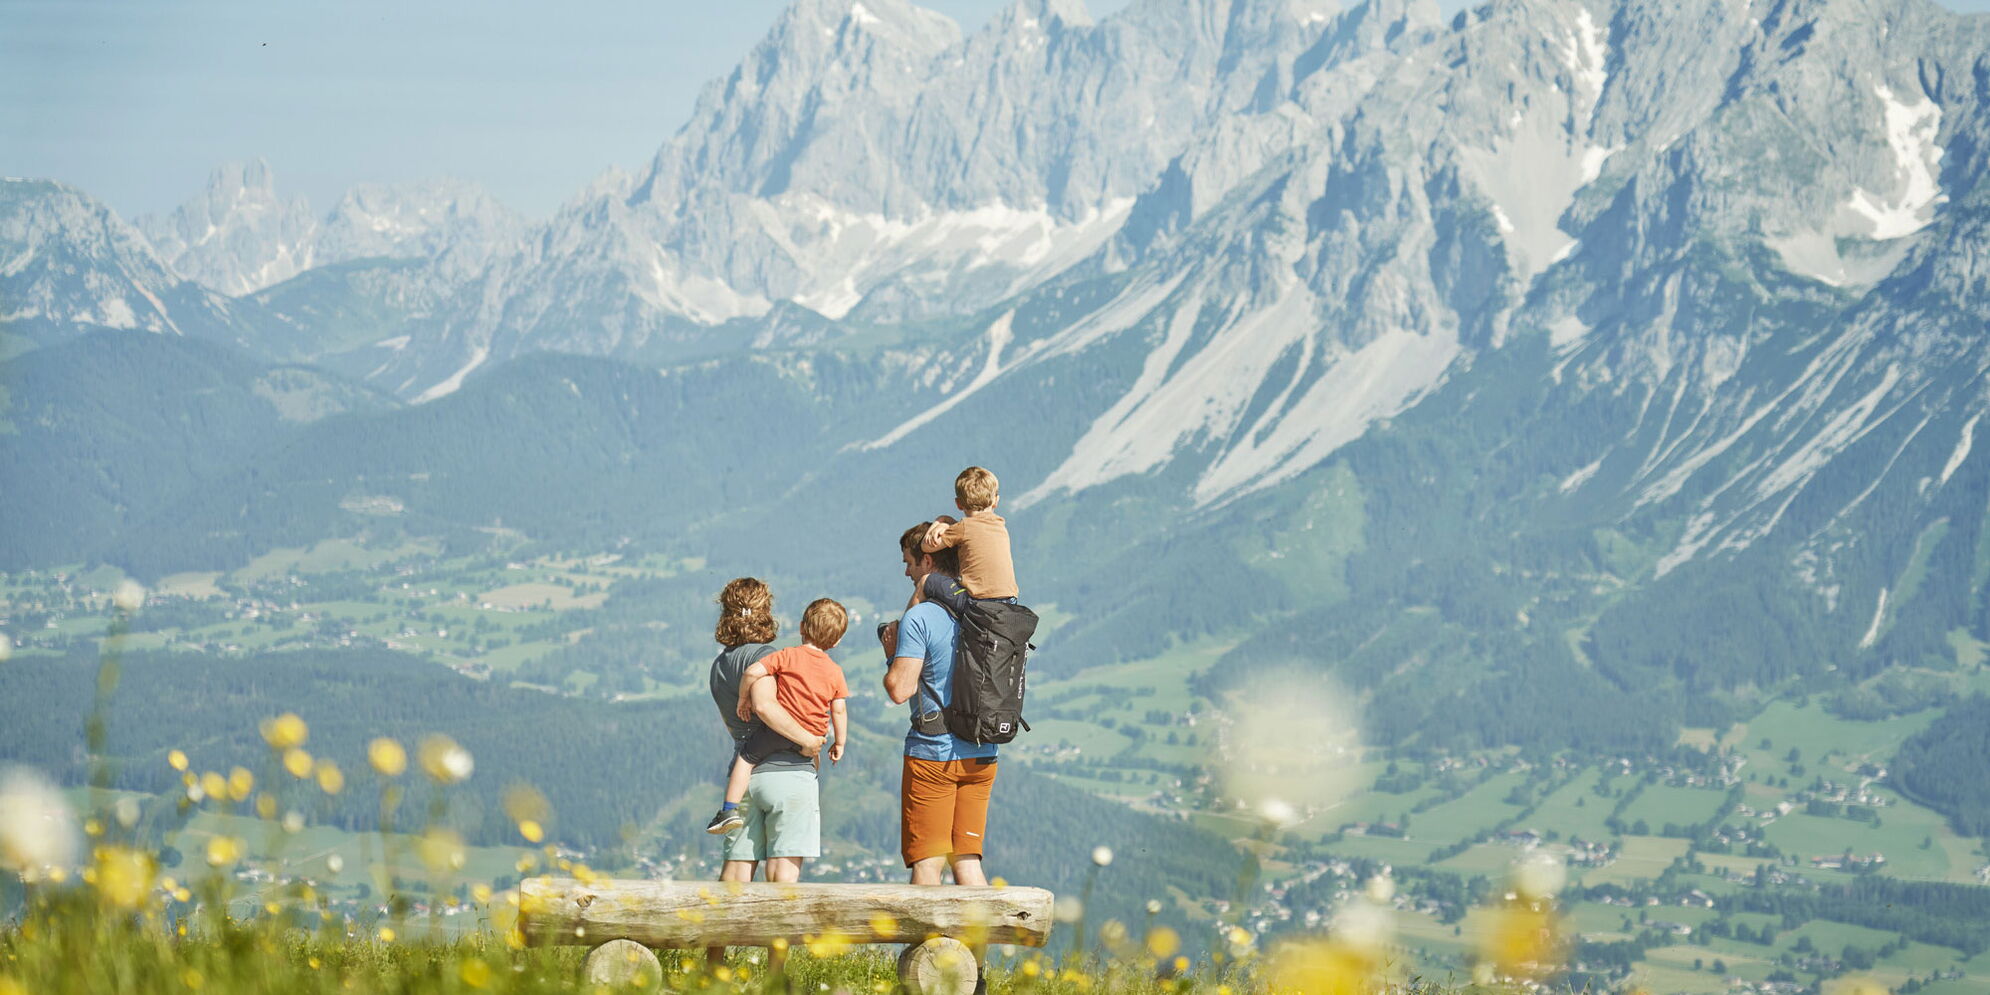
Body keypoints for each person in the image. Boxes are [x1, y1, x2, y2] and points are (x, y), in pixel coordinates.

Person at [882, 524, 998, 887]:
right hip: (983, 752)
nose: (906, 572)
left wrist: (891, 655)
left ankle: (927, 945)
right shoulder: (985, 614)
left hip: (934, 754)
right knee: (967, 862)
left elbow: (901, 690)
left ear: (927, 561)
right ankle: (975, 944)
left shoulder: (922, 617)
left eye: (909, 563)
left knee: (928, 864)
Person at [704, 579, 825, 889]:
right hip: (786, 770)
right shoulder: (766, 657)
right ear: (766, 611)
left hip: (742, 776)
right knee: (782, 872)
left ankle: (715, 938)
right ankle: (779, 939)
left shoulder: (719, 665)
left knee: (736, 870)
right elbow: (766, 706)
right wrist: (808, 740)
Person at [707, 599, 851, 834]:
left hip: (778, 732)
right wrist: (840, 743)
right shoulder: (836, 672)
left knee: (746, 758)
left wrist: (744, 698)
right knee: (812, 760)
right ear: (836, 642)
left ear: (802, 627)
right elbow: (839, 709)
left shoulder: (787, 655)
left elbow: (752, 671)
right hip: (814, 734)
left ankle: (728, 810)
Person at [912, 466, 1018, 613]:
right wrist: (950, 524)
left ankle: (901, 630)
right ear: (996, 501)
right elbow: (974, 532)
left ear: (958, 504)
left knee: (925, 582)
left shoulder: (963, 528)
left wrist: (940, 520)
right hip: (1009, 602)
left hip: (977, 603)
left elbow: (926, 546)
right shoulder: (1000, 525)